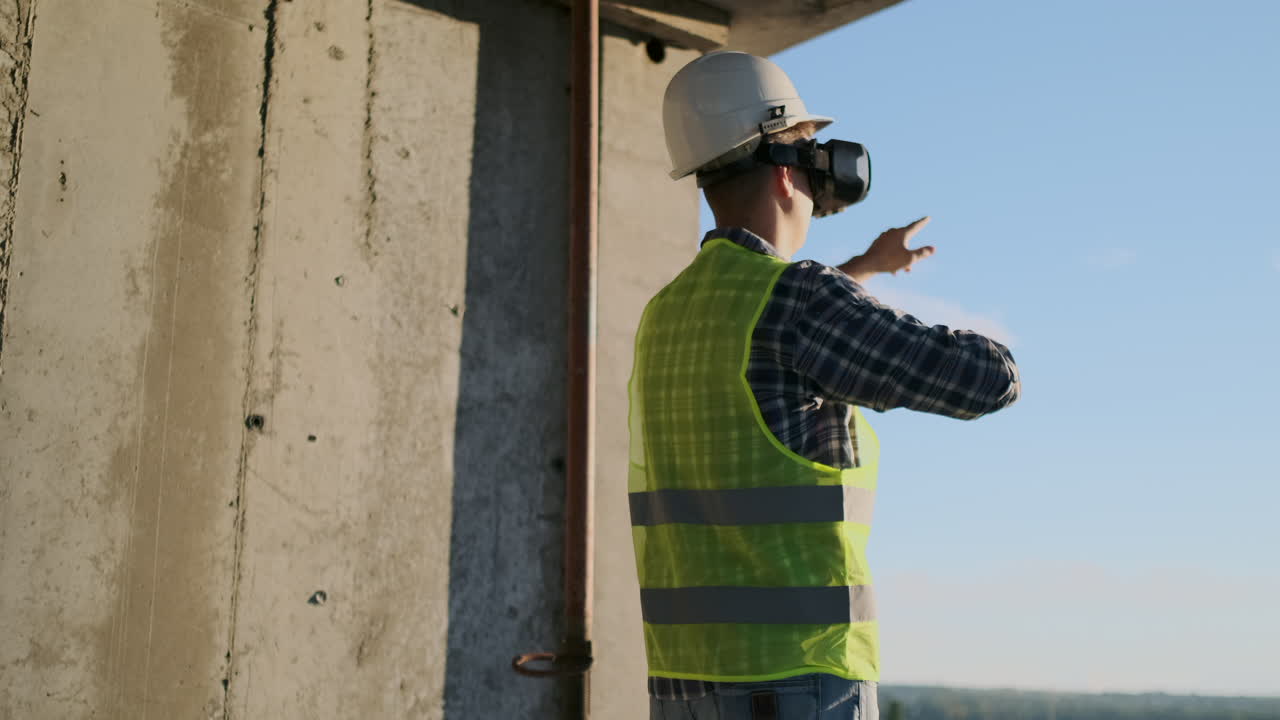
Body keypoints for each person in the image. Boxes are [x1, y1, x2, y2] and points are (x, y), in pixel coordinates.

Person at [628, 51, 1021, 720]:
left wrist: (862, 268)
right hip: (798, 680)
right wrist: (852, 290)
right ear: (788, 171)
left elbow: (772, 348)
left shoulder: (665, 314)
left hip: (683, 682)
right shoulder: (804, 300)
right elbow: (989, 380)